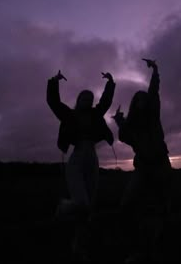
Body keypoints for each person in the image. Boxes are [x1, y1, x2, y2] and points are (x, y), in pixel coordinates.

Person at [46, 69, 115, 261]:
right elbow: (54, 103)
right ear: (79, 99)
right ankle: (63, 207)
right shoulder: (69, 115)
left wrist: (110, 83)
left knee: (89, 206)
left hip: (92, 157)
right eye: (84, 97)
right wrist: (54, 81)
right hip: (76, 157)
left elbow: (106, 102)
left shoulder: (96, 114)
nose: (88, 99)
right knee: (83, 203)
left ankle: (79, 245)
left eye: (90, 97)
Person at [112, 59, 172, 263]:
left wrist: (155, 70)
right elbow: (124, 137)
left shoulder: (153, 116)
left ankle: (157, 244)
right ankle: (136, 245)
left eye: (144, 99)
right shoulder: (132, 126)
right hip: (143, 168)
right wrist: (120, 121)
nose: (142, 102)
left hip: (160, 164)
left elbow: (154, 91)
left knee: (160, 205)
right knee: (128, 203)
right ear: (134, 104)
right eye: (138, 100)